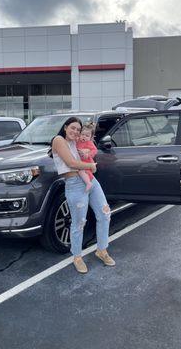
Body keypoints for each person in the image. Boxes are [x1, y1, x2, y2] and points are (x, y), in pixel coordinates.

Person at [51, 117, 115, 274]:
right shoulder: (59, 140)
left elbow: (90, 148)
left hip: (91, 181)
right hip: (75, 185)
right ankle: (77, 257)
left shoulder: (77, 141)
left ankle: (102, 250)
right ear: (65, 127)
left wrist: (89, 153)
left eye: (78, 130)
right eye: (72, 128)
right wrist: (91, 166)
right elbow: (71, 163)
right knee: (79, 223)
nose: (75, 132)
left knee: (105, 214)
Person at [76, 123, 97, 191]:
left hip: (86, 161)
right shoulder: (77, 141)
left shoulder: (89, 143)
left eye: (87, 136)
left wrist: (88, 154)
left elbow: (94, 150)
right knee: (82, 171)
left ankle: (88, 183)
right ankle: (88, 182)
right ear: (80, 134)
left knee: (81, 171)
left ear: (91, 137)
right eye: (82, 134)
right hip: (80, 161)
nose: (84, 137)